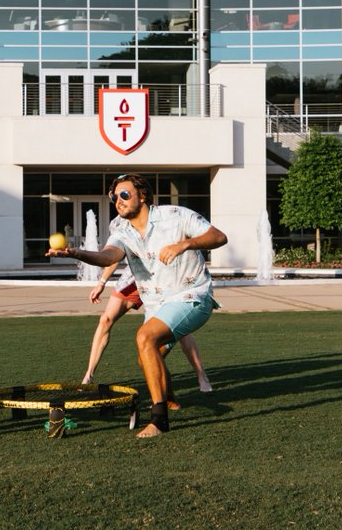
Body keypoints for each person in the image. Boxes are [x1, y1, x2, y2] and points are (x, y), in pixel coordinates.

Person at [50, 173, 227, 438]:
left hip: (191, 295)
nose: (118, 201)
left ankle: (159, 420)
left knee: (144, 337)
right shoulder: (122, 231)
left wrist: (185, 244)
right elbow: (108, 256)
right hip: (156, 303)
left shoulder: (176, 215)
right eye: (114, 197)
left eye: (124, 195)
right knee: (146, 357)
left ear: (142, 195)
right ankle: (170, 400)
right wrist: (75, 253)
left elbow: (218, 236)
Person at [81, 264, 213, 397]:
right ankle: (89, 375)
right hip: (136, 276)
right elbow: (114, 253)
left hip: (164, 277)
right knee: (105, 320)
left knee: (178, 327)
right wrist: (101, 282)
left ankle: (201, 375)